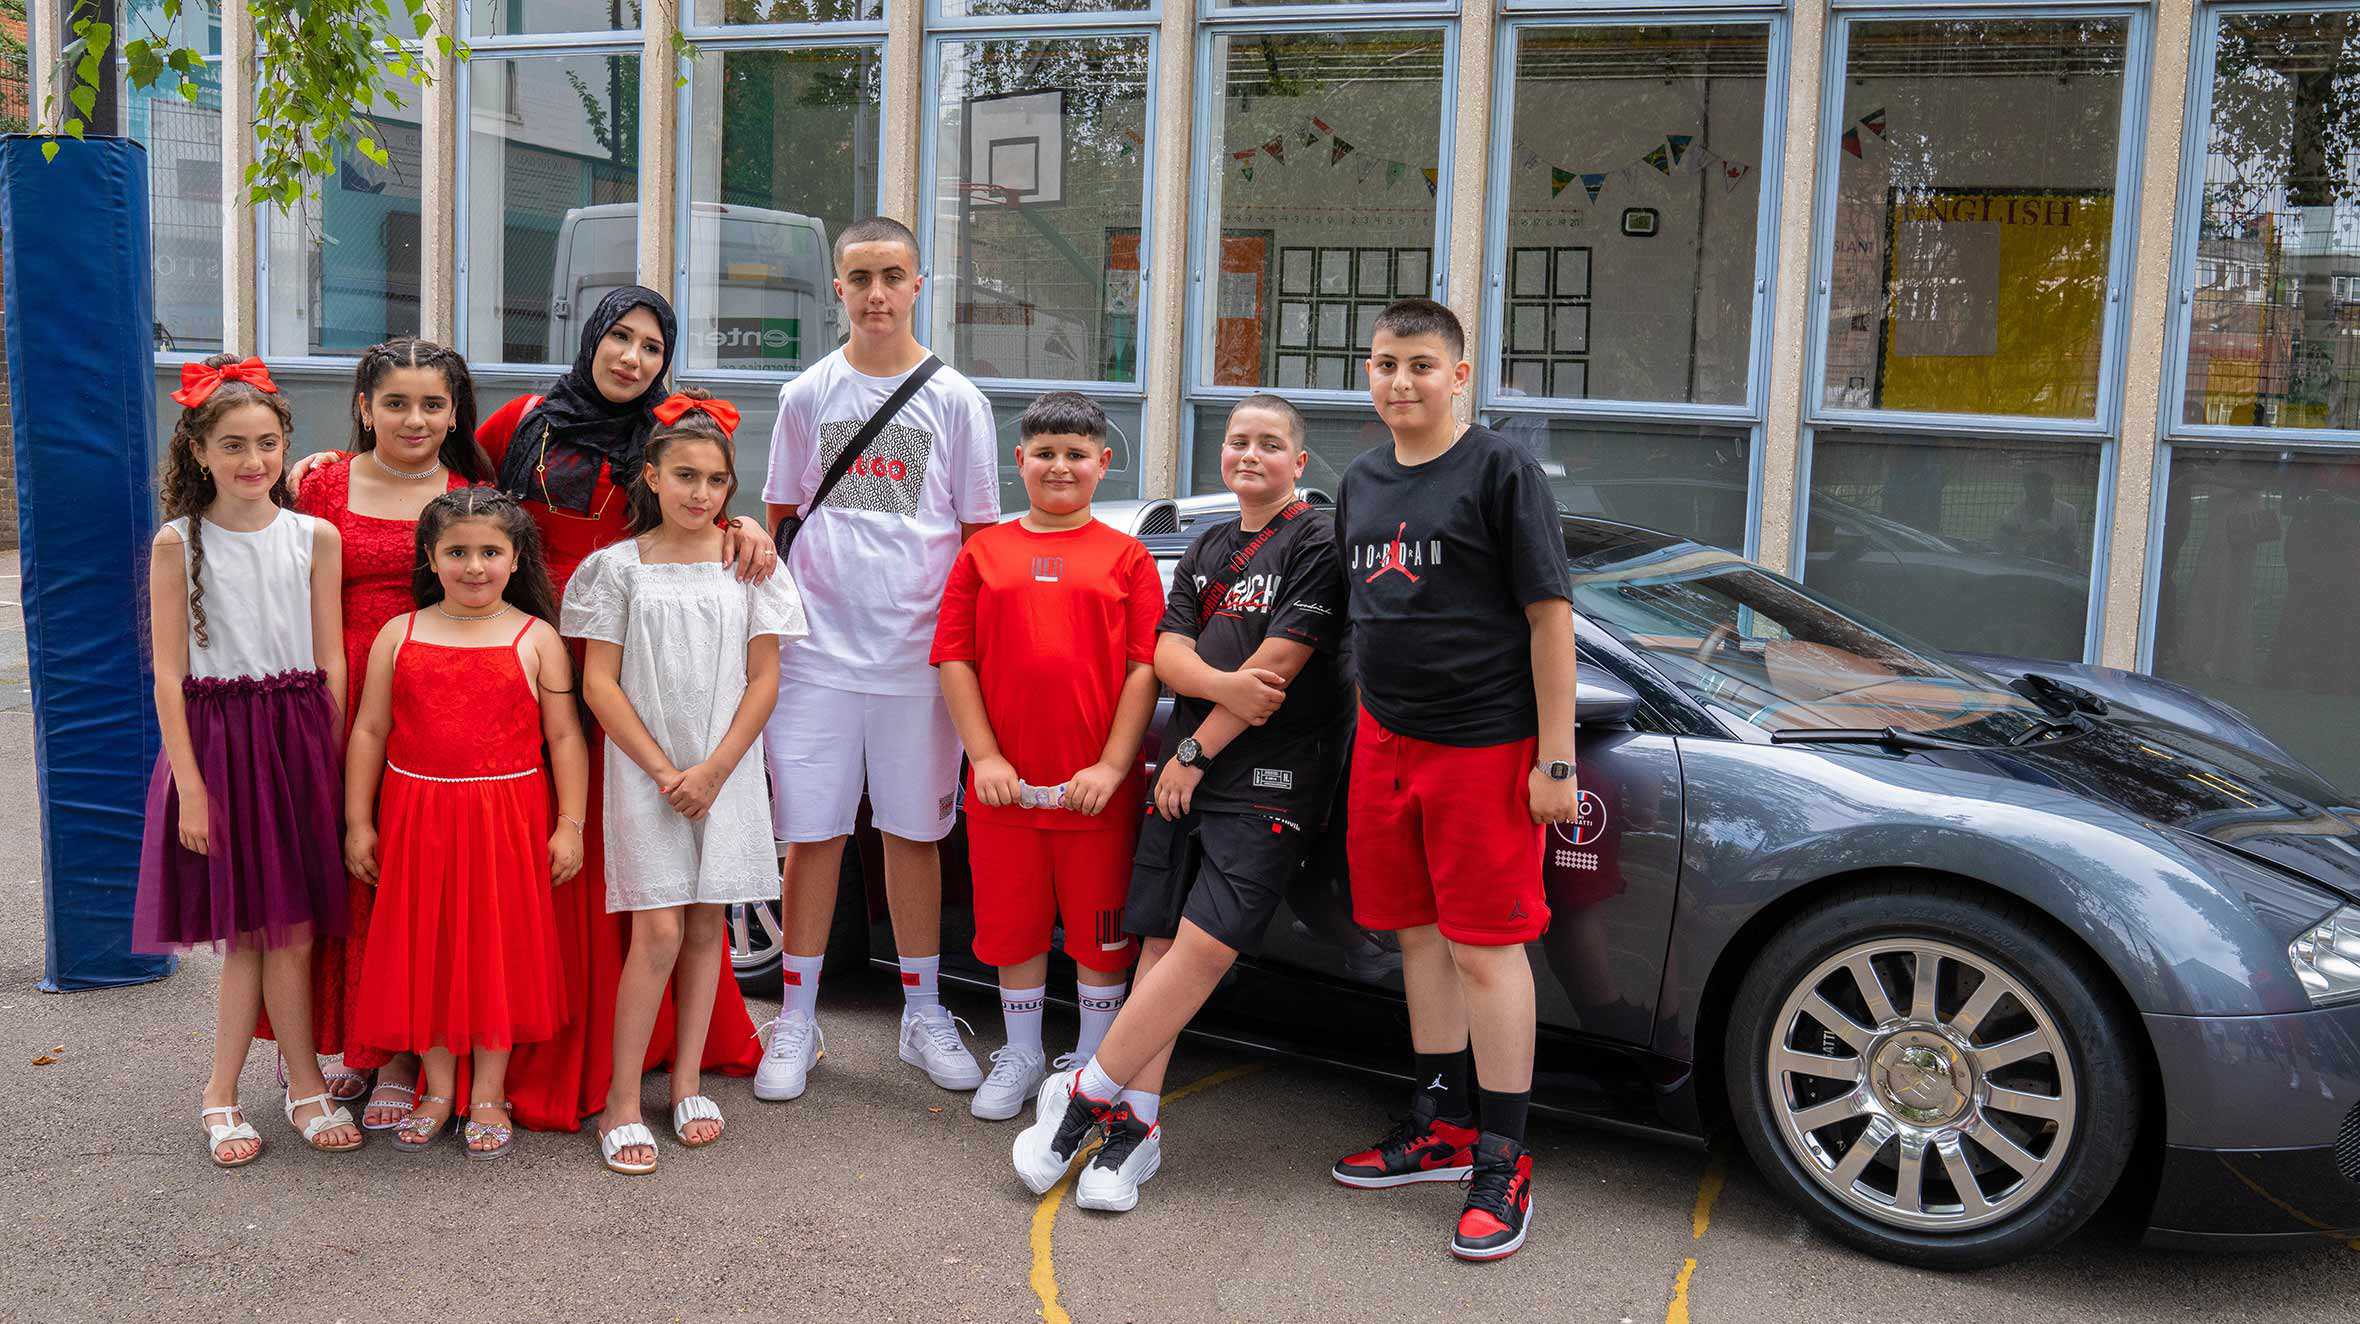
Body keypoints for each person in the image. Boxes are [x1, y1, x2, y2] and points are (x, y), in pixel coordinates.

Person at [1014, 394, 1347, 1211]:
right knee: (1160, 946)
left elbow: (1274, 678)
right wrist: (1214, 694)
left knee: (1205, 948)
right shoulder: (1205, 544)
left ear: (1298, 464)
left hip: (1260, 778)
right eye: (1239, 442)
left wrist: (1200, 742)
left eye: (1271, 445)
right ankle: (1137, 1133)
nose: (1251, 455)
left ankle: (1084, 1094)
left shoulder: (1316, 538)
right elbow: (1165, 653)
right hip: (1183, 772)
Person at [1327, 299, 1578, 1262]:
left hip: (1485, 747)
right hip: (1386, 744)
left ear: (1460, 376)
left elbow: (1550, 617)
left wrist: (1553, 760)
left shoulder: (1501, 470)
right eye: (1386, 364)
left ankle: (1505, 1158)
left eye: (1422, 365)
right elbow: (1363, 619)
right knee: (1416, 938)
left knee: (1484, 951)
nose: (1402, 382)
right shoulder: (1362, 479)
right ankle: (1442, 1125)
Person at [756, 217, 1001, 1102]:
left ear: (919, 282)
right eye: (859, 277)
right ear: (837, 287)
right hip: (816, 659)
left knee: (913, 834)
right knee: (811, 837)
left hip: (916, 662)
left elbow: (977, 540)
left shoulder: (957, 401)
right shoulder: (805, 396)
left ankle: (923, 1013)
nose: (876, 294)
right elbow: (784, 515)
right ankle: (795, 1018)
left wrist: (965, 658)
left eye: (892, 275)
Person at [563, 390, 809, 1174]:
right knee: (659, 930)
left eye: (715, 480)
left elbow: (764, 678)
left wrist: (714, 769)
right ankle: (623, 1100)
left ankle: (691, 1080)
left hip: (725, 768)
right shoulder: (615, 569)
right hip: (648, 773)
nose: (700, 494)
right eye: (685, 477)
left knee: (707, 927)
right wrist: (669, 770)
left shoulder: (749, 567)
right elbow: (599, 683)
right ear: (652, 477)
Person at [133, 354, 361, 1164]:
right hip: (222, 744)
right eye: (232, 445)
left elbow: (331, 659)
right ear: (198, 451)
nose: (252, 461)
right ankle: (220, 1092)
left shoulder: (315, 536)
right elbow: (167, 673)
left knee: (294, 932)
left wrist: (330, 768)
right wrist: (190, 787)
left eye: (267, 443)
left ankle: (303, 1084)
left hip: (299, 738)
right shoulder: (177, 542)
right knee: (248, 936)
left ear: (287, 444)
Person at [258, 337, 489, 1132]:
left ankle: (398, 1052)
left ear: (454, 411)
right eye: (395, 402)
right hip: (327, 687)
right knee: (336, 866)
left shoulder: (469, 491)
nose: (414, 418)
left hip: (431, 696)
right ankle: (350, 1047)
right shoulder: (319, 483)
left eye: (432, 403)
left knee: (404, 873)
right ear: (362, 407)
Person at [930, 392, 1163, 1123]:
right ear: (1019, 461)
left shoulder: (1128, 558)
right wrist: (986, 756)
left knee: (1101, 930)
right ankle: (1023, 1051)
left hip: (1094, 794)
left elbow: (1144, 669)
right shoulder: (984, 553)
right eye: (1045, 453)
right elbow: (955, 659)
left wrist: (1112, 767)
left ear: (1103, 463)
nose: (1059, 466)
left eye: (1075, 454)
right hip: (1005, 793)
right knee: (1012, 926)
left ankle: (1094, 1061)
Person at [346, 488, 588, 1159]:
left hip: (506, 818)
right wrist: (357, 823)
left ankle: (489, 1089)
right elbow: (369, 729)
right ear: (431, 556)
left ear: (516, 559)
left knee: (495, 950)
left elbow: (565, 738)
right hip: (416, 814)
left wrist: (570, 824)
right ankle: (437, 1087)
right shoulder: (402, 632)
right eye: (457, 551)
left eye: (490, 551)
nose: (474, 565)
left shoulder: (535, 637)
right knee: (426, 946)